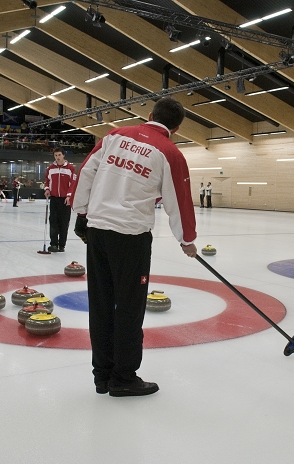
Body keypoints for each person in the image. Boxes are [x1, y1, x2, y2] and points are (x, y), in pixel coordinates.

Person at [72, 97, 197, 397]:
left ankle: (102, 376)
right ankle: (123, 377)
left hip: (98, 232)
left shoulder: (114, 136)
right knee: (128, 308)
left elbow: (86, 171)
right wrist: (187, 241)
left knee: (101, 305)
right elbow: (178, 200)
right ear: (176, 128)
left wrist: (81, 211)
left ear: (150, 115)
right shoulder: (170, 152)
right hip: (130, 238)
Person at [44, 148, 76, 252]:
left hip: (65, 200)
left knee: (64, 222)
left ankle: (62, 245)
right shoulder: (51, 168)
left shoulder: (70, 168)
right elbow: (47, 181)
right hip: (54, 199)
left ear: (63, 155)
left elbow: (73, 183)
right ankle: (53, 244)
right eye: (55, 155)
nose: (57, 157)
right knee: (53, 221)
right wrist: (47, 189)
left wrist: (69, 196)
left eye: (59, 155)